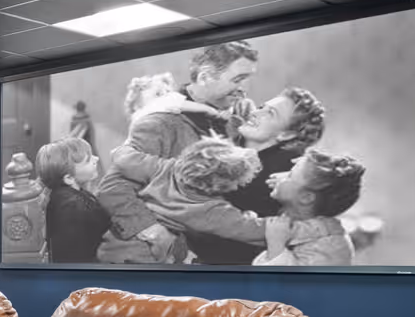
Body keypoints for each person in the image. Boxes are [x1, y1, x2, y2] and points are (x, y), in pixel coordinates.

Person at [98, 42, 260, 261]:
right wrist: (154, 232)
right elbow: (112, 188)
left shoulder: (234, 120)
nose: (244, 89)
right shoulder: (159, 121)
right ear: (204, 77)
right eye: (238, 79)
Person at [203, 86, 330, 265]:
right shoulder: (229, 140)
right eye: (262, 106)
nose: (256, 113)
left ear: (287, 134)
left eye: (270, 113)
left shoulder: (282, 174)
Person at [97, 137, 264, 265]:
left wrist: (124, 148)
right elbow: (252, 230)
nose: (236, 188)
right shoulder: (211, 209)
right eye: (236, 183)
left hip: (111, 245)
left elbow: (124, 158)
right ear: (219, 183)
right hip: (149, 258)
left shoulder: (161, 167)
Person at [255, 149, 366, 266]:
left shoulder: (328, 246)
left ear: (306, 197)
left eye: (290, 175)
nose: (279, 176)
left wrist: (276, 244)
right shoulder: (299, 219)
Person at [37, 136, 110, 263]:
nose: (96, 159)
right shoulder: (72, 207)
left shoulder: (64, 195)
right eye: (88, 160)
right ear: (69, 178)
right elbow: (75, 256)